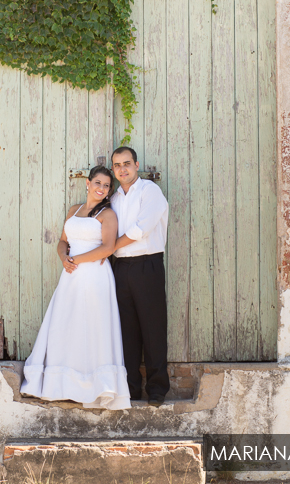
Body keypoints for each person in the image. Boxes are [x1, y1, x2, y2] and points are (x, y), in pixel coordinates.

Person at [20, 165, 132, 410]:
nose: (101, 188)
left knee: (93, 328)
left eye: (106, 185)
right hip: (70, 276)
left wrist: (76, 260)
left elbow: (108, 248)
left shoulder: (107, 214)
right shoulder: (74, 211)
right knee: (66, 325)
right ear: (88, 184)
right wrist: (64, 258)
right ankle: (62, 385)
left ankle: (95, 386)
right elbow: (63, 241)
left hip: (94, 277)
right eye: (98, 183)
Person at [109, 146, 170, 406]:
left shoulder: (150, 191)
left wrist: (109, 248)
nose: (122, 169)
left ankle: (157, 390)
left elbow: (139, 230)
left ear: (136, 165)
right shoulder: (112, 199)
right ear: (113, 170)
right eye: (117, 165)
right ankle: (131, 388)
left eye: (127, 163)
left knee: (153, 329)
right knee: (127, 331)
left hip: (147, 266)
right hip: (120, 268)